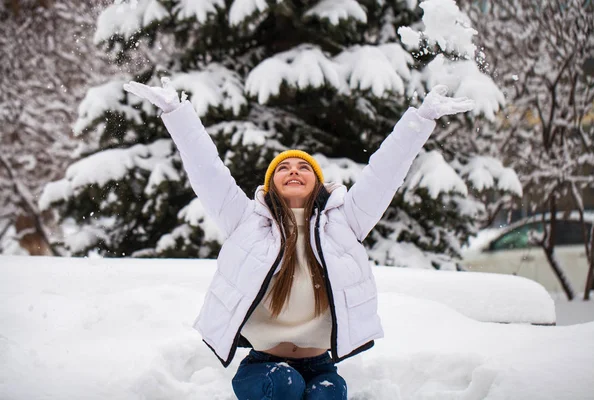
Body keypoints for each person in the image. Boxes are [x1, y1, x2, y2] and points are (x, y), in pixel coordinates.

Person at [124, 79, 474, 400]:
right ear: (271, 183)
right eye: (284, 168)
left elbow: (385, 173)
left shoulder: (347, 221)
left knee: (328, 393)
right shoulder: (245, 220)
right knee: (284, 385)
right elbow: (206, 169)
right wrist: (177, 113)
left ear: (318, 183)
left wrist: (421, 119)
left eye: (304, 167)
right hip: (263, 367)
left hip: (320, 364)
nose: (294, 171)